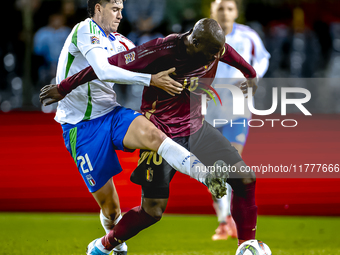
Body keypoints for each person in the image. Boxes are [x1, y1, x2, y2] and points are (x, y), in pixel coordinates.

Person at [41, 18, 259, 254]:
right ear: (194, 42)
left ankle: (246, 245)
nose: (212, 59)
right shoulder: (159, 50)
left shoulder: (213, 48)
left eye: (216, 54)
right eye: (209, 54)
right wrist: (64, 87)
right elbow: (103, 67)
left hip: (197, 128)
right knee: (152, 211)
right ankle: (104, 245)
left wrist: (250, 73)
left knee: (245, 178)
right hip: (161, 135)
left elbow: (231, 55)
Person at [205, 0, 270, 241]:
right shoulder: (202, 36)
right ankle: (224, 219)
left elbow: (263, 58)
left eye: (229, 8)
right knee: (214, 167)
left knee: (231, 162)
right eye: (220, 8)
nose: (225, 13)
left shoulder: (248, 35)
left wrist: (254, 76)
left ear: (236, 12)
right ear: (213, 11)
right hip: (206, 108)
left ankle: (228, 221)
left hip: (237, 107)